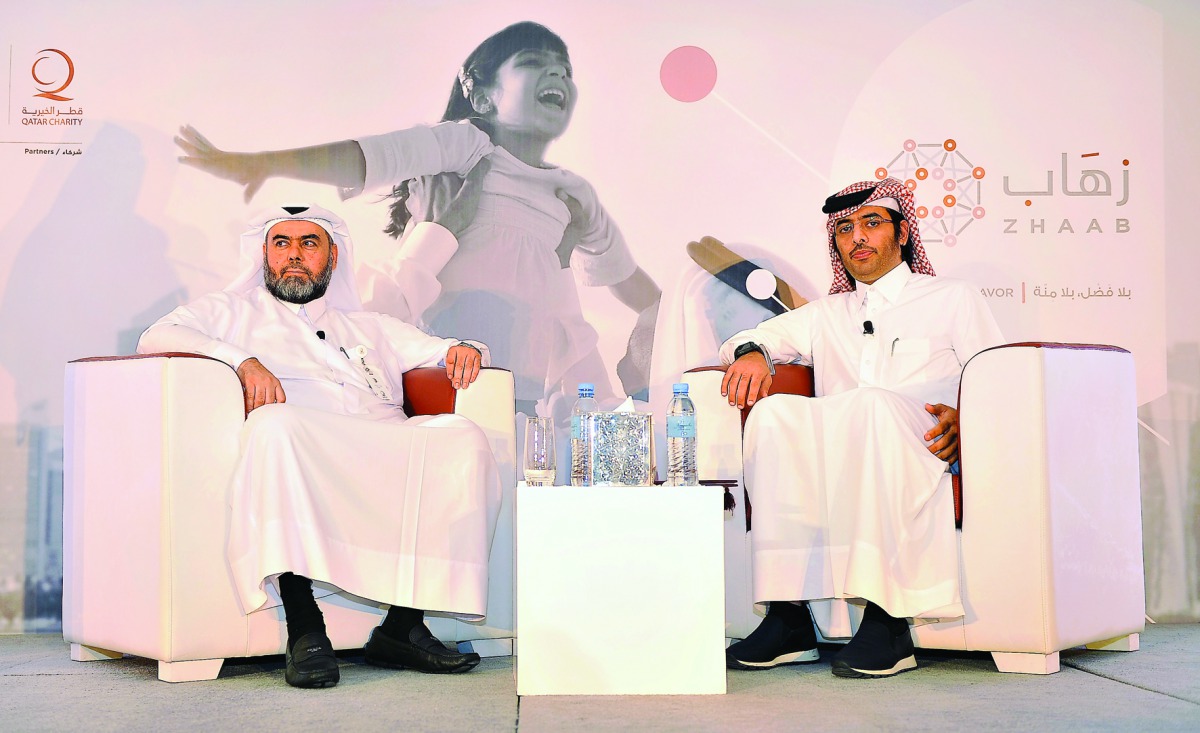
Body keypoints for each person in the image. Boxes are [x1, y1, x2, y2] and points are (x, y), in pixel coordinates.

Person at [173, 21, 661, 421]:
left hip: (535, 351)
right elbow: (370, 156)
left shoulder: (572, 192)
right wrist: (263, 163)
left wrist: (660, 323)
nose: (556, 75)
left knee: (542, 436)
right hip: (457, 336)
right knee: (479, 423)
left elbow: (629, 282)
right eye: (534, 63)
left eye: (565, 69)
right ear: (480, 92)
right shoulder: (467, 145)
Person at [137, 201, 503, 689]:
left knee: (461, 438)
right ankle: (306, 629)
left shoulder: (370, 325)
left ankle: (402, 627)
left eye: (309, 243)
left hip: (380, 443)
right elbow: (155, 335)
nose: (293, 254)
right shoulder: (229, 311)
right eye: (281, 243)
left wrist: (466, 350)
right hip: (303, 441)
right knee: (275, 425)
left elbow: (452, 349)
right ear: (264, 254)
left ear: (332, 258)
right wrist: (241, 360)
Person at [718, 177, 1005, 679]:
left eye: (872, 223)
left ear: (902, 234)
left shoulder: (951, 298)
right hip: (846, 449)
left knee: (871, 404)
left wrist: (969, 417)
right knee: (772, 414)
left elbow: (998, 376)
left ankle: (888, 623)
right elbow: (749, 336)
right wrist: (752, 353)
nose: (857, 238)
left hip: (925, 443)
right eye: (845, 229)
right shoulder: (826, 314)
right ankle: (789, 619)